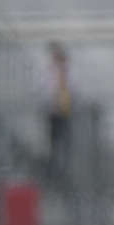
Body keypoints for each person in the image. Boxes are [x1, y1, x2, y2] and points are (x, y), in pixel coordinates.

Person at [46, 42, 73, 185]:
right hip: (55, 113)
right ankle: (56, 172)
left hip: (65, 112)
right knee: (55, 143)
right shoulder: (53, 73)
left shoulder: (66, 73)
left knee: (65, 143)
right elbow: (49, 91)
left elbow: (72, 90)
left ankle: (63, 171)